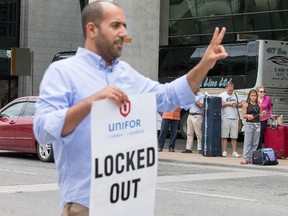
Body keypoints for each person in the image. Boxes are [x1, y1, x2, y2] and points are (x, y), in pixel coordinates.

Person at [33, 1, 228, 215]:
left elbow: (168, 96)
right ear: (92, 29)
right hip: (86, 206)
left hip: (128, 205)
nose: (124, 33)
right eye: (116, 25)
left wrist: (205, 64)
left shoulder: (126, 74)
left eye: (124, 26)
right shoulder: (62, 72)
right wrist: (91, 103)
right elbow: (43, 129)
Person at [241, 89, 266, 164]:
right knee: (248, 142)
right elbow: (244, 115)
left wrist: (263, 114)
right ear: (249, 96)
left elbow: (260, 116)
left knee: (255, 143)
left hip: (257, 124)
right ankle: (245, 158)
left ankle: (252, 158)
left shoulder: (259, 105)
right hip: (249, 124)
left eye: (255, 96)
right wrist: (248, 116)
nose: (253, 97)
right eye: (252, 96)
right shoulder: (246, 104)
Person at [219, 81, 242, 158]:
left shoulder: (236, 94)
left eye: (232, 90)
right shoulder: (221, 95)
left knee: (234, 136)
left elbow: (241, 104)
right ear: (226, 88)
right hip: (225, 117)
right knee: (224, 135)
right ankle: (224, 151)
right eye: (229, 90)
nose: (231, 92)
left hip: (235, 117)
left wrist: (236, 105)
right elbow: (218, 105)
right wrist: (227, 104)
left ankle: (234, 151)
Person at [182, 89, 204, 154]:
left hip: (197, 115)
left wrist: (194, 100)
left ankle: (200, 148)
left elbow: (201, 106)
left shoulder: (201, 96)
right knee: (189, 133)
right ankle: (188, 148)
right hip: (190, 114)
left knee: (198, 133)